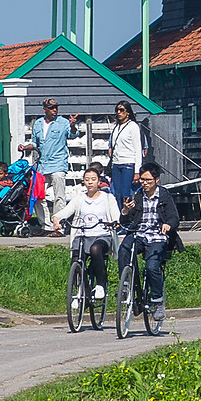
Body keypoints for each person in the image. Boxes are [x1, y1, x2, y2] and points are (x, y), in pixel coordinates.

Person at [116, 162, 183, 333]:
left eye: (148, 180)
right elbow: (125, 222)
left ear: (157, 180)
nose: (144, 183)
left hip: (158, 236)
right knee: (124, 247)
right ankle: (126, 284)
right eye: (142, 180)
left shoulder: (164, 196)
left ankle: (157, 300)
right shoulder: (137, 196)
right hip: (140, 234)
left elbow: (175, 218)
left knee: (152, 266)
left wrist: (168, 225)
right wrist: (125, 211)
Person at [63, 163, 119, 307]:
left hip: (102, 235)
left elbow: (116, 216)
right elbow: (67, 210)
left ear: (99, 181)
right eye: (87, 179)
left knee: (95, 249)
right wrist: (56, 218)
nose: (89, 182)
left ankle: (100, 285)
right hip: (83, 235)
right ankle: (80, 291)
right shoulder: (79, 198)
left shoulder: (108, 198)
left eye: (93, 179)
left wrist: (114, 222)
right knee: (76, 259)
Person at [30, 99, 80, 234]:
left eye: (56, 108)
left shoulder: (63, 122)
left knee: (59, 196)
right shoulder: (38, 123)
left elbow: (73, 134)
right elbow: (35, 143)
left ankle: (59, 226)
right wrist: (25, 146)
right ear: (44, 109)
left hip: (58, 163)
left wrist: (73, 125)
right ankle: (46, 225)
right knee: (37, 195)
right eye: (51, 108)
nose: (54, 110)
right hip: (43, 164)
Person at [106, 102, 144, 208]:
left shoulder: (133, 126)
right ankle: (118, 216)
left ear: (127, 112)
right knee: (116, 193)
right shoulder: (116, 127)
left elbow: (138, 149)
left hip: (128, 163)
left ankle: (127, 216)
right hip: (116, 163)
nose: (119, 113)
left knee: (126, 193)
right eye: (117, 110)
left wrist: (137, 170)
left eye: (121, 110)